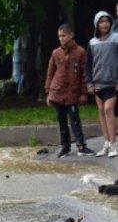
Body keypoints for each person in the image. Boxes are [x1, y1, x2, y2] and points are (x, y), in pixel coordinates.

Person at [45, 24, 94, 157]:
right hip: (57, 93)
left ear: (71, 35)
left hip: (72, 94)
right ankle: (65, 147)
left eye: (64, 35)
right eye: (59, 36)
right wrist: (48, 92)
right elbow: (50, 73)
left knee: (75, 120)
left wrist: (84, 93)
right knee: (62, 121)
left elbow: (85, 74)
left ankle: (81, 146)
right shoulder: (56, 53)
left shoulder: (80, 52)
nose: (61, 38)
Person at [85, 11, 118, 157]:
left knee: (108, 110)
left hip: (112, 82)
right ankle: (106, 142)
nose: (105, 24)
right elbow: (88, 65)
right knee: (101, 112)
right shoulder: (92, 43)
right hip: (97, 83)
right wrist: (89, 83)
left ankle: (113, 144)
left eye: (107, 21)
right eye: (101, 21)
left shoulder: (116, 39)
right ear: (96, 24)